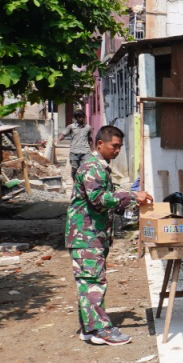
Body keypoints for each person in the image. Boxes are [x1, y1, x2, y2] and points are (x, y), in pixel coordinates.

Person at [66, 124, 153, 345]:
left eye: (120, 147)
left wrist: (127, 207)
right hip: (86, 235)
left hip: (92, 234)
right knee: (93, 282)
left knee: (89, 282)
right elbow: (99, 198)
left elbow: (104, 202)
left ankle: (89, 329)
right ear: (100, 144)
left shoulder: (99, 167)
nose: (117, 151)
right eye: (114, 146)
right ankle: (100, 331)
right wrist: (133, 197)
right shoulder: (92, 167)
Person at [59, 111, 92, 178]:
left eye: (83, 117)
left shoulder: (88, 128)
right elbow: (63, 134)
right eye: (79, 117)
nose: (81, 118)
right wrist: (58, 140)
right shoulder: (71, 127)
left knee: (85, 169)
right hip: (74, 151)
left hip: (85, 151)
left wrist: (93, 150)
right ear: (76, 118)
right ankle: (75, 182)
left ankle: (82, 184)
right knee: (74, 168)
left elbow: (90, 139)